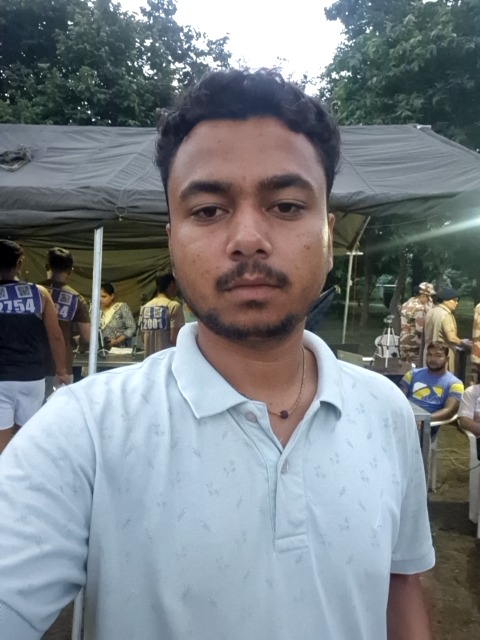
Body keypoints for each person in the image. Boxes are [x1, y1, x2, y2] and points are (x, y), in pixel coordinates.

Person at [0, 70, 434, 639]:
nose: (248, 238)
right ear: (171, 239)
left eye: (286, 205)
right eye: (208, 210)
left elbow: (399, 585)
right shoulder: (85, 431)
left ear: (329, 236)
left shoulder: (386, 411)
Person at [0, 240, 69, 453]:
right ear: (20, 263)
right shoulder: (39, 293)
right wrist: (61, 370)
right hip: (32, 377)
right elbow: (56, 336)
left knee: (2, 448)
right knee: (27, 444)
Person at [40, 247, 90, 396]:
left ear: (47, 266)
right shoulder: (76, 299)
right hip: (62, 368)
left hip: (32, 366)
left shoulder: (34, 292)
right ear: (70, 270)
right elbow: (88, 337)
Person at [400, 341, 464, 439]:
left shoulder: (455, 384)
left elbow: (448, 410)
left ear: (447, 359)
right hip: (406, 417)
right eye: (429, 355)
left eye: (438, 356)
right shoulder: (412, 374)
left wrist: (424, 419)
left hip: (429, 423)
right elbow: (400, 399)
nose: (432, 359)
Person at [422, 287, 467, 373]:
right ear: (445, 301)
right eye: (454, 300)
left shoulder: (431, 312)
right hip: (441, 357)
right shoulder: (446, 315)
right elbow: (451, 338)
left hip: (429, 354)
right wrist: (464, 344)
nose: (456, 303)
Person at [140, 272, 185, 356]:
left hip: (149, 360)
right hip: (166, 360)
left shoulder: (145, 307)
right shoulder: (174, 306)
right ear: (171, 284)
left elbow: (143, 338)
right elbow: (175, 339)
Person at [399, 282, 435, 365]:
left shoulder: (408, 303)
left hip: (404, 341)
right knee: (415, 368)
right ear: (423, 295)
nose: (430, 299)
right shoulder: (419, 308)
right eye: (429, 297)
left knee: (404, 368)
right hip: (414, 345)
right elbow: (421, 329)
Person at [99, 281, 136, 348]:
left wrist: (117, 341)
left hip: (120, 348)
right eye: (98, 297)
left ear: (112, 296)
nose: (100, 299)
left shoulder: (121, 307)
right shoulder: (95, 310)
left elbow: (131, 327)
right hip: (99, 349)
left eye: (104, 296)